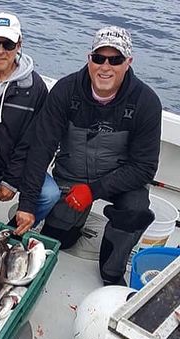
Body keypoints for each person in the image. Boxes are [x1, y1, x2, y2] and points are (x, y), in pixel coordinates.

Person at [17, 26, 161, 285]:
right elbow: (41, 148)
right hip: (71, 178)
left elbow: (144, 167)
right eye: (99, 58)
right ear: (89, 59)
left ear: (128, 62)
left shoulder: (146, 102)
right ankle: (70, 224)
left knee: (137, 209)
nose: (106, 67)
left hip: (120, 181)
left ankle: (111, 270)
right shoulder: (65, 91)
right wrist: (27, 205)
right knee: (61, 241)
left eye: (115, 60)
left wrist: (93, 190)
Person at [0, 12, 60, 235]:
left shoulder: (36, 88)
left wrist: (11, 180)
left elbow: (32, 142)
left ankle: (9, 235)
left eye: (8, 44)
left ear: (19, 45)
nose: (1, 50)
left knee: (49, 194)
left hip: (11, 167)